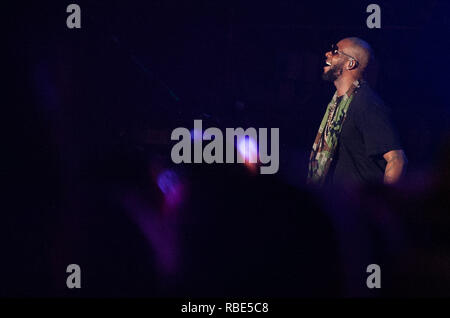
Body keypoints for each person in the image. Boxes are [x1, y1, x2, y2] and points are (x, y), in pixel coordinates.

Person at [307, 37, 407, 186]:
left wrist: (380, 203)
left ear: (351, 63)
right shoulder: (336, 103)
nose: (328, 53)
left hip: (361, 205)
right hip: (341, 204)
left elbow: (397, 160)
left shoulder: (366, 102)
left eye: (335, 51)